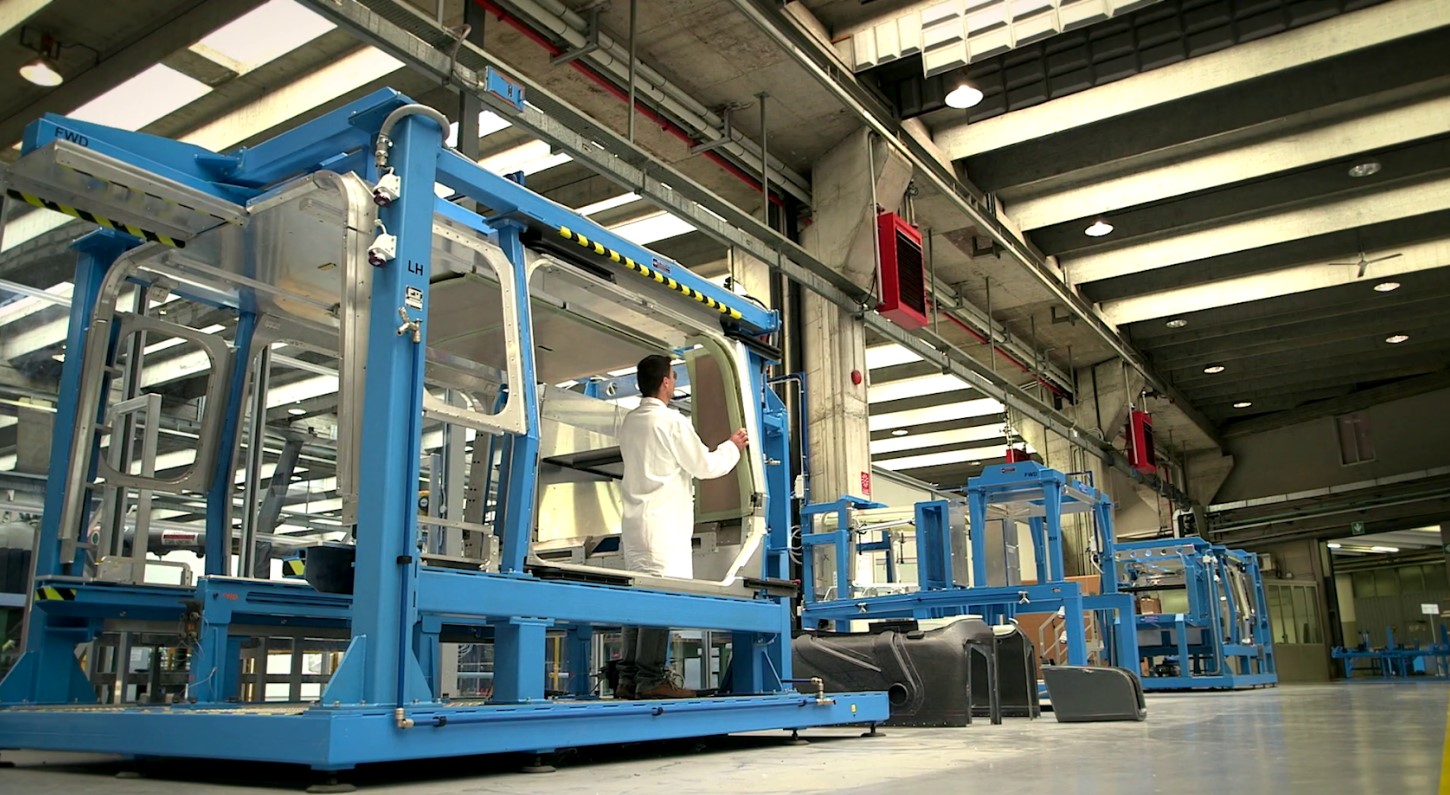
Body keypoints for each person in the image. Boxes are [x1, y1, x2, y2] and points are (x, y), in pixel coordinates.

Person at [614, 354, 748, 699]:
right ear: (665, 382)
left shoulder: (630, 422)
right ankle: (650, 679)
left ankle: (628, 679)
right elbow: (705, 466)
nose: (674, 382)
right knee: (658, 600)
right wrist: (732, 447)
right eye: (673, 376)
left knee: (637, 600)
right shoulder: (671, 421)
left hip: (635, 525)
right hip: (661, 527)